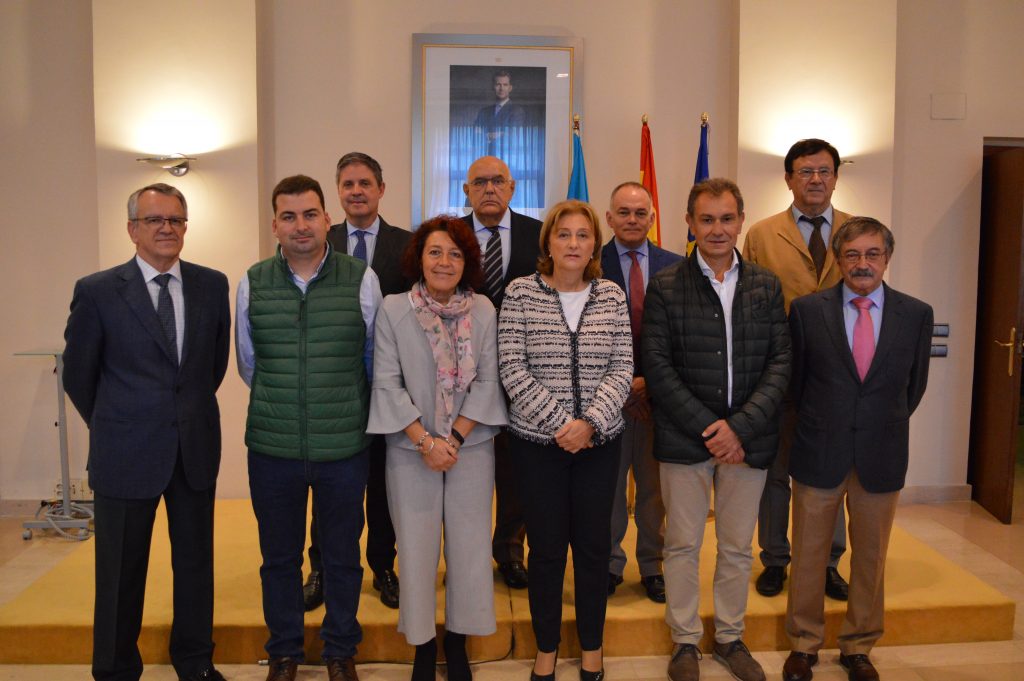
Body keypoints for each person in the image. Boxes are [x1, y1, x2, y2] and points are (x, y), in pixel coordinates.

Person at [62, 183, 230, 681]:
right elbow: (79, 375)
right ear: (132, 229)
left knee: (195, 566)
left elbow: (212, 367)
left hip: (193, 448)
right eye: (155, 220)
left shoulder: (211, 285)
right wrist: (117, 421)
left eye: (176, 220)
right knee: (120, 572)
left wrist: (180, 414)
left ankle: (195, 662)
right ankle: (115, 669)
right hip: (124, 451)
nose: (166, 228)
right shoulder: (97, 291)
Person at [644, 179, 790, 681]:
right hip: (685, 438)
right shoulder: (665, 285)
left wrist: (739, 428)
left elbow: (780, 363)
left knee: (736, 546)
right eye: (706, 220)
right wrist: (712, 428)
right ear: (690, 223)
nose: (717, 229)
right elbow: (657, 366)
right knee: (682, 544)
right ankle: (685, 641)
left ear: (741, 221)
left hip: (748, 440)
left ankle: (730, 637)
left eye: (727, 219)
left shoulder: (766, 285)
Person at [236, 175, 382, 681]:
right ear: (275, 224)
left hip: (343, 447)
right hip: (273, 447)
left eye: (310, 214)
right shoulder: (253, 282)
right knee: (278, 558)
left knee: (342, 557)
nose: (301, 225)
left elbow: (372, 358)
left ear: (327, 219)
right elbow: (249, 364)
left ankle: (340, 650)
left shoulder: (361, 278)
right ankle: (284, 652)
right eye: (289, 216)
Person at [782, 217, 932, 681]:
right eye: (852, 254)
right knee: (809, 555)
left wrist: (875, 422)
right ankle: (803, 644)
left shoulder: (916, 314)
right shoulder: (807, 311)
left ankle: (858, 646)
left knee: (870, 558)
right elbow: (795, 386)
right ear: (838, 260)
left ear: (887, 258)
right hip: (818, 450)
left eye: (872, 254)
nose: (862, 263)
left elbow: (913, 387)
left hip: (881, 453)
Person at [367, 216, 507, 681]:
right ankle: (423, 647)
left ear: (467, 262)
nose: (445, 262)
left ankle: (458, 642)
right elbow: (386, 384)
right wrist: (426, 442)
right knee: (416, 549)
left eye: (455, 253)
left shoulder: (483, 310)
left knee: (469, 549)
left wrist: (455, 439)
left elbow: (488, 382)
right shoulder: (394, 309)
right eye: (435, 252)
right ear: (419, 258)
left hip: (471, 447)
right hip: (411, 450)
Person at [498, 199, 633, 681]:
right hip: (537, 447)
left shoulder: (611, 296)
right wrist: (561, 424)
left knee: (594, 549)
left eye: (582, 235)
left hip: (600, 445)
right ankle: (547, 648)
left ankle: (592, 647)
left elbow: (623, 367)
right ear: (548, 243)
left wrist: (590, 423)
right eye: (563, 234)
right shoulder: (520, 293)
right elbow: (511, 367)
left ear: (595, 244)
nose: (573, 243)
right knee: (547, 550)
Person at [742, 138, 852, 601]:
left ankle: (827, 562)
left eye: (824, 171)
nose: (815, 179)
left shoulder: (857, 232)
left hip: (838, 381)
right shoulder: (762, 235)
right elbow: (747, 309)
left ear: (836, 177)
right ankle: (775, 559)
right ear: (788, 179)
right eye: (805, 171)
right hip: (778, 378)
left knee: (831, 475)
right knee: (776, 474)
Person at [303, 152, 411, 612]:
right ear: (338, 192)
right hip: (335, 389)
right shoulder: (317, 242)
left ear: (381, 189)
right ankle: (323, 568)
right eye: (348, 184)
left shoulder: (407, 245)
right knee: (329, 487)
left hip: (390, 386)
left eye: (365, 183)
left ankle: (383, 566)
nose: (357, 192)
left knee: (384, 486)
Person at [461, 155, 542, 590]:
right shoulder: (450, 236)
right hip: (462, 375)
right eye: (480, 182)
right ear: (466, 191)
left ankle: (510, 551)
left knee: (516, 472)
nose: (489, 189)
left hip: (524, 373)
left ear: (512, 188)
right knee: (467, 471)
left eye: (498, 181)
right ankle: (466, 556)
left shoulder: (539, 235)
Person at [599, 182, 681, 603]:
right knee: (609, 489)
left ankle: (652, 565)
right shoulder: (590, 263)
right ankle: (609, 564)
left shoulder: (678, 266)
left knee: (653, 491)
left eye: (640, 212)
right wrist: (622, 383)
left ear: (652, 217)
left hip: (659, 398)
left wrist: (650, 380)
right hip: (604, 399)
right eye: (623, 212)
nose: (632, 220)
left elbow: (683, 334)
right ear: (609, 218)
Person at [473, 70, 527, 156]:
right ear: (493, 87)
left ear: (510, 88)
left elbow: (512, 135)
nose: (501, 88)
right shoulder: (484, 111)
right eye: (498, 84)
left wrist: (486, 135)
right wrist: (500, 133)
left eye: (505, 85)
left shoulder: (517, 111)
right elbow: (475, 133)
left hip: (506, 156)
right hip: (485, 156)